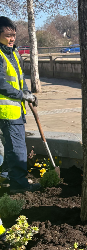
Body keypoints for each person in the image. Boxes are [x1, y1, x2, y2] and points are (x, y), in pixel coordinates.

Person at [0, 16, 40, 194]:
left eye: (14, 35)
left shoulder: (13, 53)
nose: (12, 38)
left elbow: (19, 79)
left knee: (10, 146)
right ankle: (19, 183)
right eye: (8, 35)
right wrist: (20, 95)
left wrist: (28, 94)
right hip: (7, 111)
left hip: (15, 109)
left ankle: (8, 175)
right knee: (17, 148)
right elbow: (1, 83)